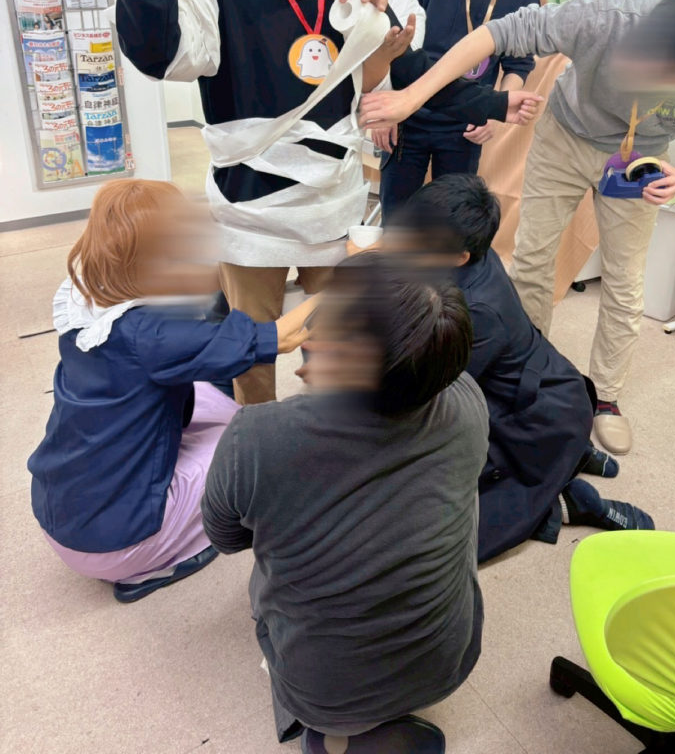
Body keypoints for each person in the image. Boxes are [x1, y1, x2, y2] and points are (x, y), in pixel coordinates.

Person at [360, 0, 675, 453]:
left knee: (625, 280)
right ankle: (527, 373)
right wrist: (411, 97)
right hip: (566, 136)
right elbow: (497, 33)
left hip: (639, 159)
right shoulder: (608, 17)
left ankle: (606, 397)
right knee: (532, 260)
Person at [116, 0, 393, 406]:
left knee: (338, 338)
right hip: (249, 209)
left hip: (334, 201)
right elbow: (160, 53)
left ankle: (333, 428)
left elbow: (395, 38)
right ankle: (256, 439)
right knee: (250, 348)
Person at [201, 255, 488, 749]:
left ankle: (335, 737)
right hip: (450, 662)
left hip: (325, 697)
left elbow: (225, 537)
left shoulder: (256, 437)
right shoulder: (467, 399)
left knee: (265, 572)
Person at [27, 179, 313, 604]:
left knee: (211, 399)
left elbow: (196, 304)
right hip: (118, 541)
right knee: (253, 444)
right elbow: (283, 337)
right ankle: (154, 565)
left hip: (61, 510)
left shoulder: (84, 291)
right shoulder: (155, 335)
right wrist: (342, 287)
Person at [387, 174, 654, 563]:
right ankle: (571, 457)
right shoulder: (476, 253)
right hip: (548, 385)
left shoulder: (474, 309)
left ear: (460, 256)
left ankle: (570, 500)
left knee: (425, 522)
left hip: (537, 415)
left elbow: (434, 391)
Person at [380, 0, 541, 219]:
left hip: (467, 122)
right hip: (409, 115)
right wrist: (389, 105)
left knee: (453, 222)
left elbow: (518, 62)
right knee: (396, 217)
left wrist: (493, 111)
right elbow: (395, 43)